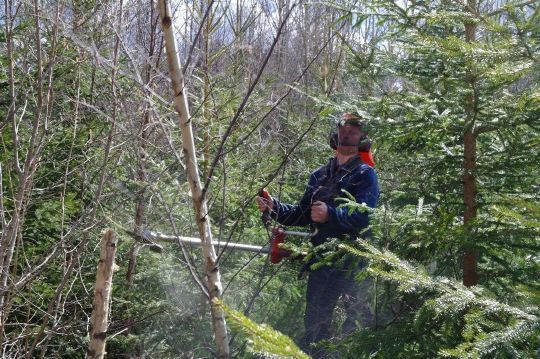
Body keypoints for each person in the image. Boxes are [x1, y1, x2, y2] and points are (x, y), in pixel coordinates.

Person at [256, 112, 379, 357]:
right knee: (315, 323)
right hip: (320, 262)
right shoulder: (319, 175)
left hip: (351, 262)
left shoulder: (365, 174)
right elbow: (303, 215)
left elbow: (364, 216)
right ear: (336, 134)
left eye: (353, 132)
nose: (347, 135)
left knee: (356, 325)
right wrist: (276, 208)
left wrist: (331, 215)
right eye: (344, 130)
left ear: (362, 138)